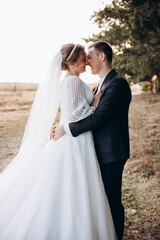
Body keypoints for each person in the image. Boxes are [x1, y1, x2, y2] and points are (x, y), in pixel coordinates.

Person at [0, 43, 117, 240]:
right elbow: (75, 114)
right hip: (75, 141)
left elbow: (74, 110)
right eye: (82, 59)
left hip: (79, 138)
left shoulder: (73, 81)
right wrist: (95, 105)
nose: (86, 63)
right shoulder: (72, 82)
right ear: (71, 62)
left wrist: (91, 100)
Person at [52, 41, 132, 240]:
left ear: (102, 56)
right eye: (84, 58)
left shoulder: (117, 84)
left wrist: (66, 128)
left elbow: (98, 118)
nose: (87, 61)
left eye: (90, 57)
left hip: (111, 153)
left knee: (112, 202)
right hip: (96, 150)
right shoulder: (102, 84)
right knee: (99, 202)